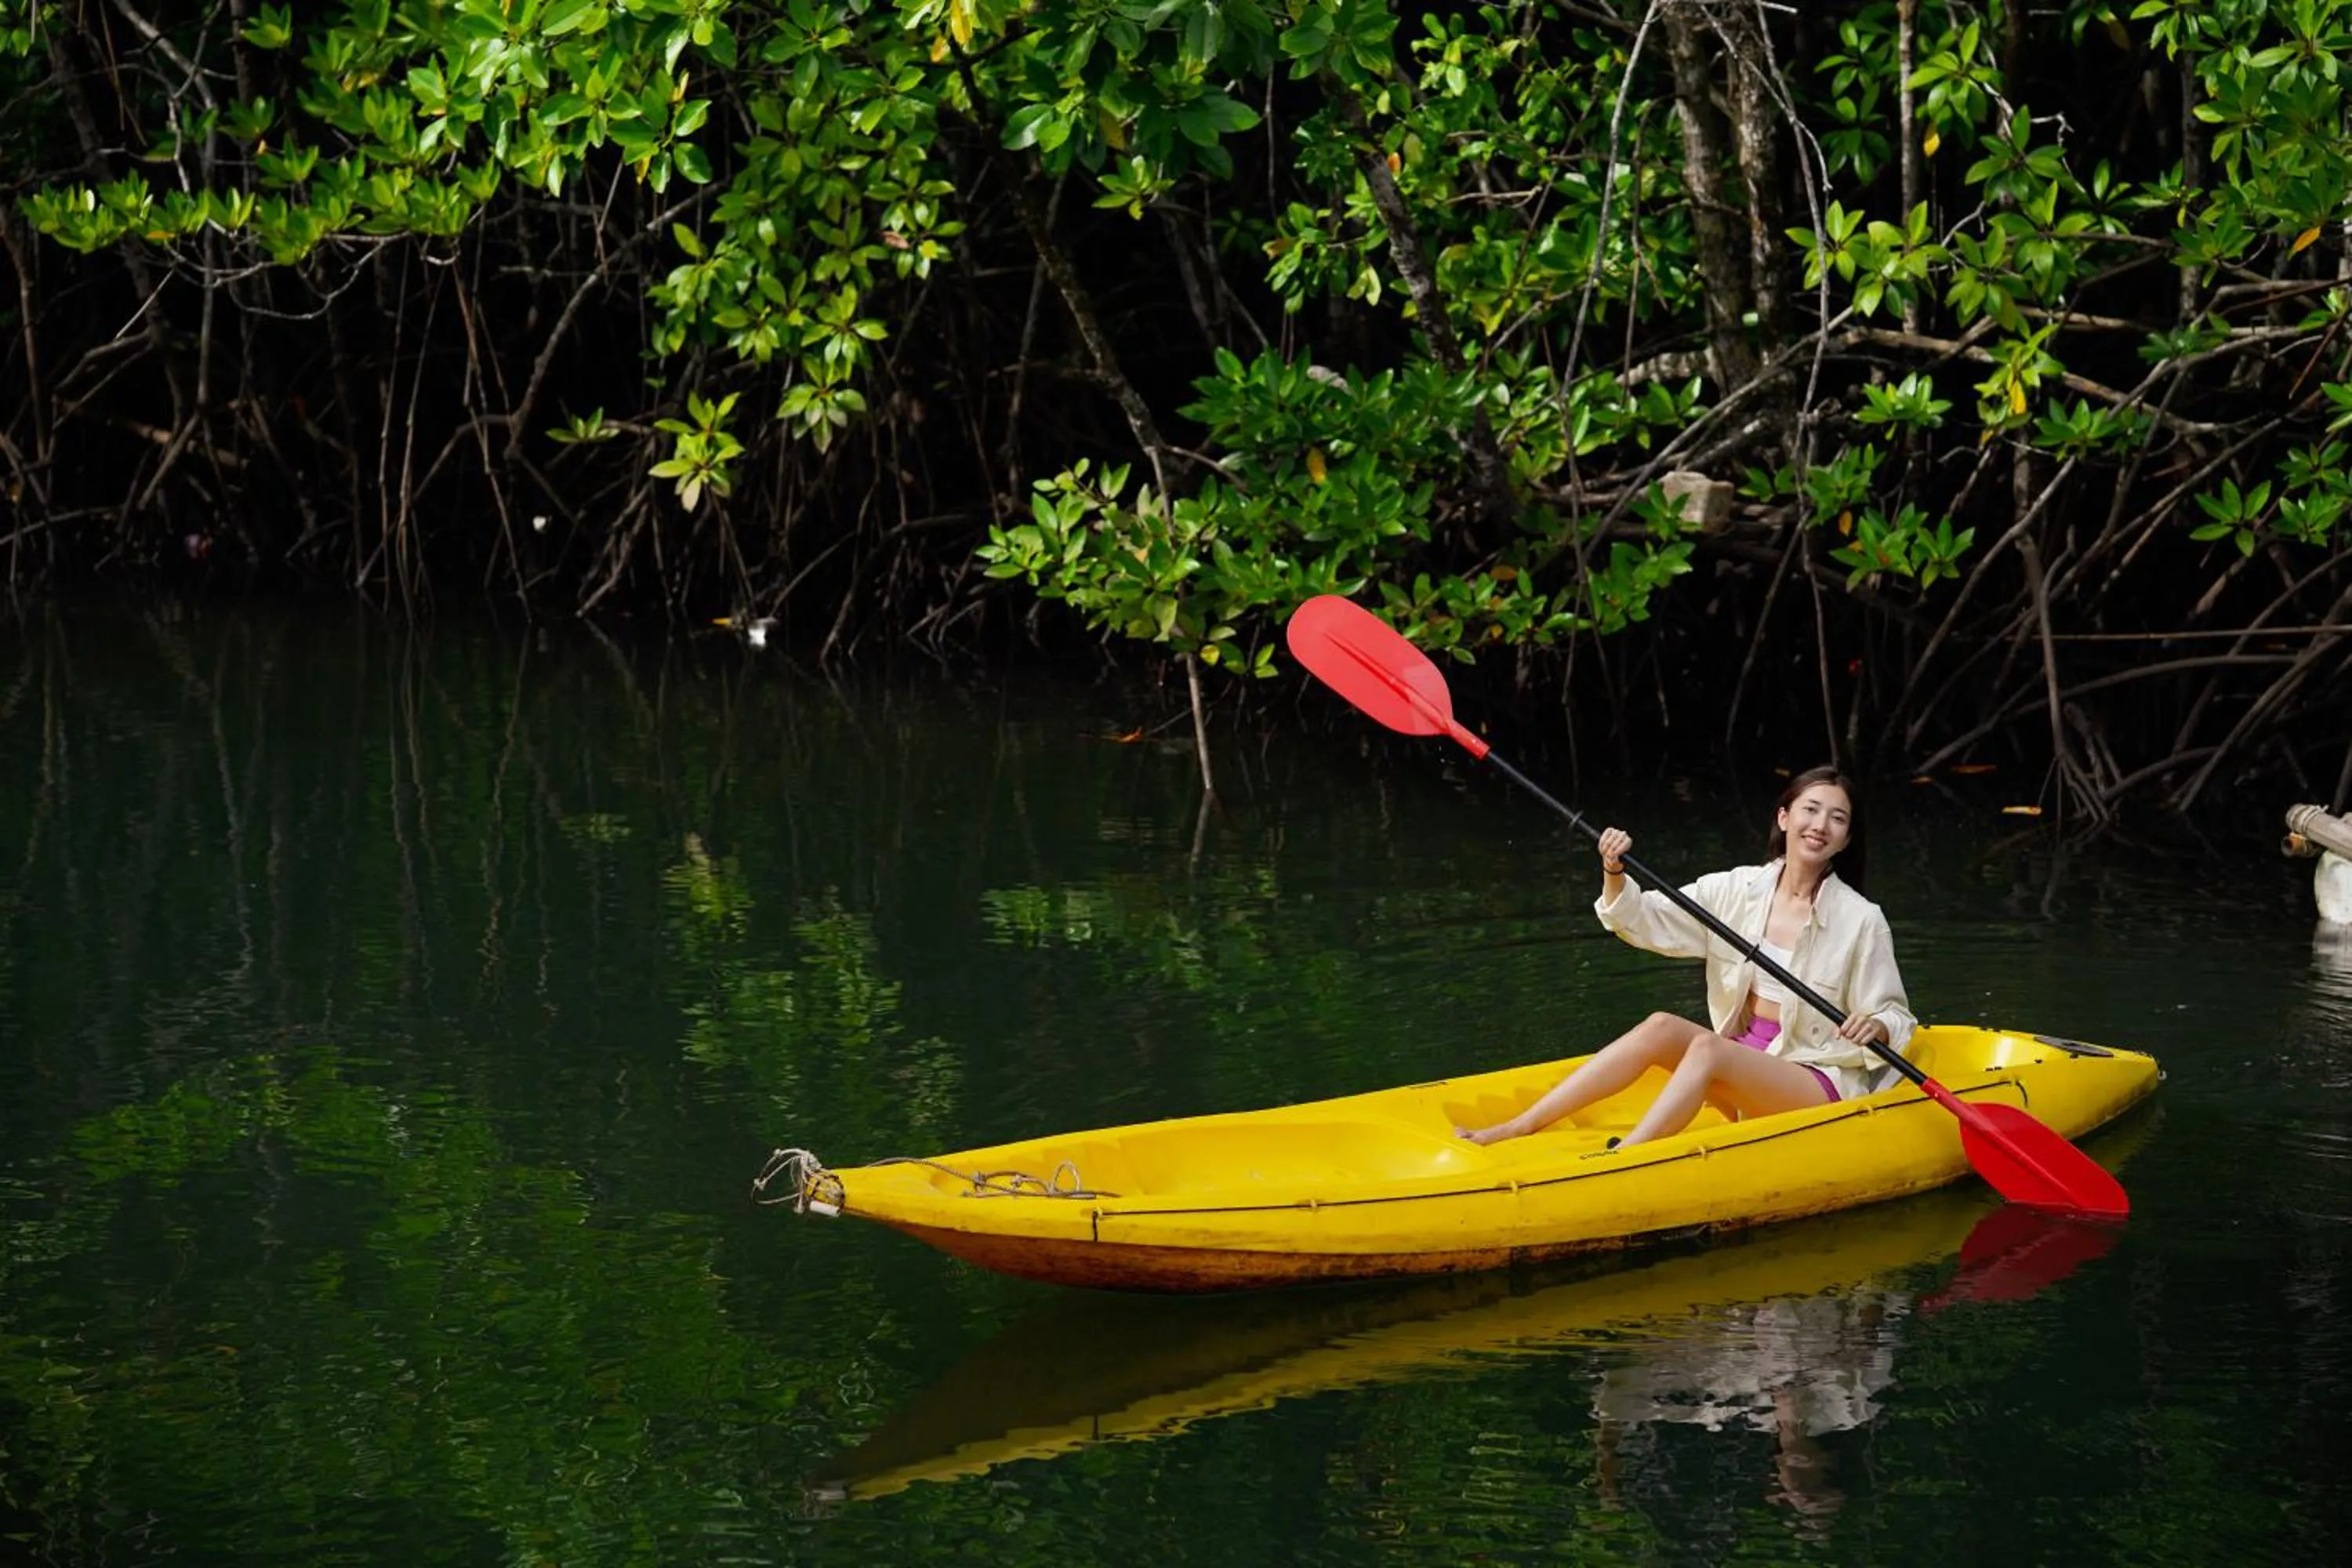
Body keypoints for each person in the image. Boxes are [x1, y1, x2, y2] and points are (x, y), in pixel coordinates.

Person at [1456, 766, 1915, 1148]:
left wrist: (1875, 1025)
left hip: (1814, 1078)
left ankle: (1629, 1157)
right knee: (1661, 1025)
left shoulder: (1862, 919)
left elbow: (1896, 1017)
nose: (1820, 825)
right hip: (1744, 1064)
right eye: (1810, 810)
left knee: (1708, 1048)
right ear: (1784, 817)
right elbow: (1642, 918)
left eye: (1837, 818)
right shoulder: (1735, 890)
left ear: (1845, 839)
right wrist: (1614, 871)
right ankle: (1520, 1126)